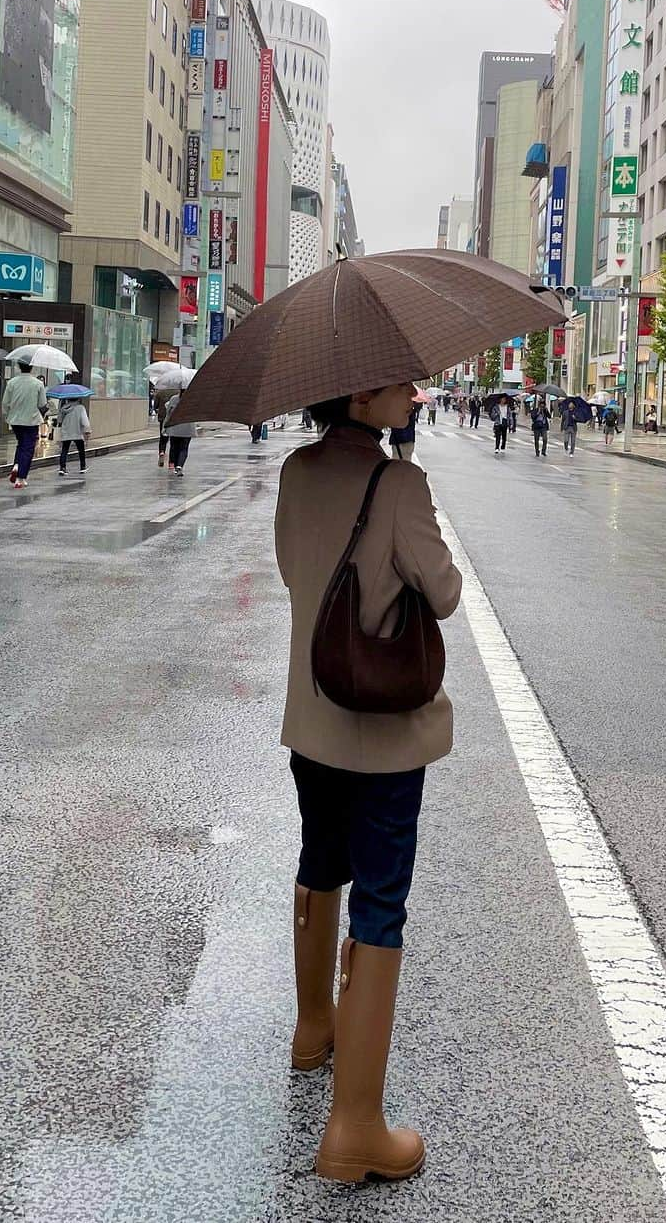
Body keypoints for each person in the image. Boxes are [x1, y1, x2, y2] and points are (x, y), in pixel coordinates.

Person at [275, 382, 461, 1184]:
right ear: (363, 395)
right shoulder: (399, 482)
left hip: (312, 717)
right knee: (382, 896)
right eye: (398, 382)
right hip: (382, 728)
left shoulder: (297, 471)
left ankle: (314, 1027)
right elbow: (445, 592)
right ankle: (355, 1130)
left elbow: (294, 574)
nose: (411, 393)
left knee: (321, 859)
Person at [2, 360, 48, 488]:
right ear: (31, 368)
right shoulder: (38, 384)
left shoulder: (12, 382)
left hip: (15, 420)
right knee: (28, 448)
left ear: (19, 368)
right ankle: (21, 477)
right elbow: (42, 403)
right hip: (31, 420)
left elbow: (5, 403)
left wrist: (7, 414)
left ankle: (17, 464)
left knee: (21, 443)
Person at [57, 395, 92, 475]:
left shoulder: (63, 408)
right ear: (78, 398)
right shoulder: (80, 408)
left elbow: (59, 420)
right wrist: (87, 430)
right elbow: (84, 421)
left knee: (64, 450)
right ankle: (82, 467)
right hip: (77, 431)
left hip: (66, 431)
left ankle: (62, 468)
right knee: (81, 450)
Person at [164, 392, 196, 476]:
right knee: (184, 448)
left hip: (175, 426)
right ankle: (179, 466)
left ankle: (175, 465)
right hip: (188, 427)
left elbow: (168, 412)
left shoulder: (173, 399)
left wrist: (165, 426)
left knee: (174, 447)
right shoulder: (193, 398)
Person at [153, 390, 171, 466]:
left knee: (163, 436)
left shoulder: (160, 393)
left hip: (163, 417)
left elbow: (155, 406)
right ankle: (172, 462)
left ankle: (162, 451)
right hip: (173, 417)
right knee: (174, 439)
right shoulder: (178, 392)